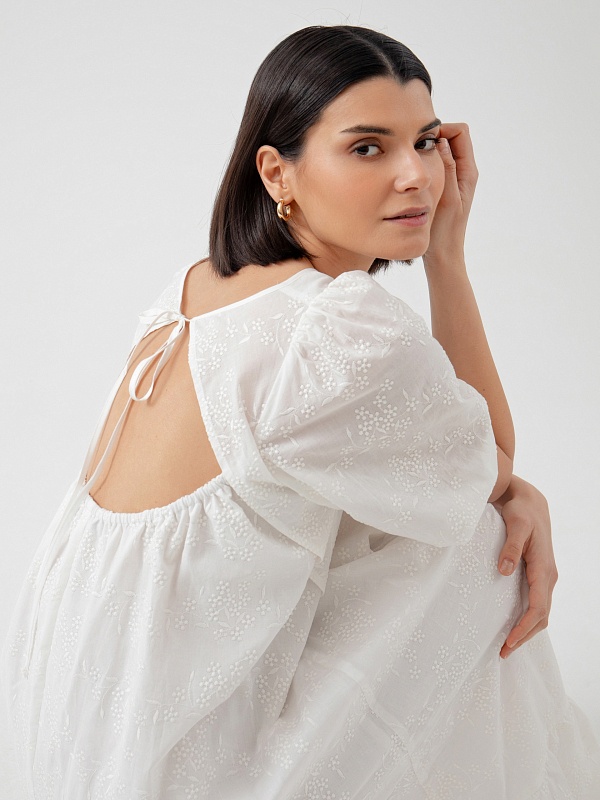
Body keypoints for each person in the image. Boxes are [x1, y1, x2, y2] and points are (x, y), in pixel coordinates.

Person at [1, 23, 598, 800]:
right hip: (177, 762)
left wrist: (499, 480)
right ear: (276, 172)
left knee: (435, 508)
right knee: (486, 542)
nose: (416, 177)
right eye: (367, 147)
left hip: (74, 730)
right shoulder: (333, 329)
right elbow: (487, 462)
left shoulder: (198, 285)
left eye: (426, 142)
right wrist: (447, 259)